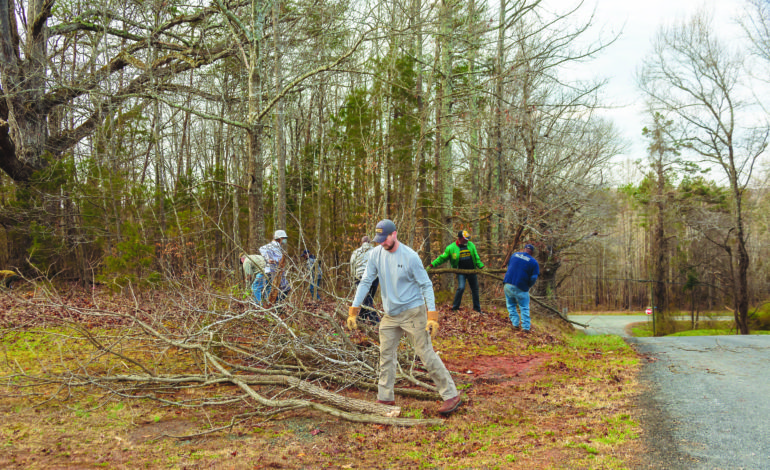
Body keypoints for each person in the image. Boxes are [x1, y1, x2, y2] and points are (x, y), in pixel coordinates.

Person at [347, 219, 463, 416]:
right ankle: (385, 398)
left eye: (385, 239)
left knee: (425, 354)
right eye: (379, 240)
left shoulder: (410, 256)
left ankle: (451, 395)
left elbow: (426, 284)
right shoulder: (375, 254)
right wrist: (354, 309)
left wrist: (432, 315)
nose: (382, 243)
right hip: (390, 315)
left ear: (395, 234)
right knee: (385, 356)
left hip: (413, 312)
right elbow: (366, 281)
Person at [429, 230, 484, 312]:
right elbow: (442, 258)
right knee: (461, 287)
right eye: (465, 239)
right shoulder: (451, 248)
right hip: (460, 272)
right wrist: (432, 265)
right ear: (460, 238)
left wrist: (480, 265)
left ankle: (477, 309)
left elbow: (476, 256)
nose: (467, 241)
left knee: (475, 289)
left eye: (467, 239)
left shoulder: (471, 245)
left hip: (472, 270)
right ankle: (455, 307)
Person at [503, 243, 540, 333]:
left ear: (524, 249)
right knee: (524, 307)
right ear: (532, 252)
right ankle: (525, 327)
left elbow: (509, 267)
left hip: (508, 283)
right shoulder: (533, 262)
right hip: (521, 286)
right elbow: (534, 277)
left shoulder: (514, 255)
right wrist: (528, 285)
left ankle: (515, 324)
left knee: (511, 305)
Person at [350, 236, 379, 323]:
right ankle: (362, 319)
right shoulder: (375, 251)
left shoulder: (356, 252)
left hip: (360, 277)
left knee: (366, 300)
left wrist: (354, 276)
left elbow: (352, 264)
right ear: (370, 242)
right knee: (368, 299)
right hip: (374, 278)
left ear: (362, 242)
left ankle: (375, 322)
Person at [259, 230, 290, 303]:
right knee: (283, 288)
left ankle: (273, 304)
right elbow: (262, 249)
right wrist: (268, 259)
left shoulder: (276, 246)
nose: (284, 240)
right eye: (283, 238)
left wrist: (267, 259)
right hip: (274, 271)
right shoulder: (274, 245)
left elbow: (261, 249)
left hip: (272, 270)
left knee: (274, 289)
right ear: (279, 238)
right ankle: (275, 305)